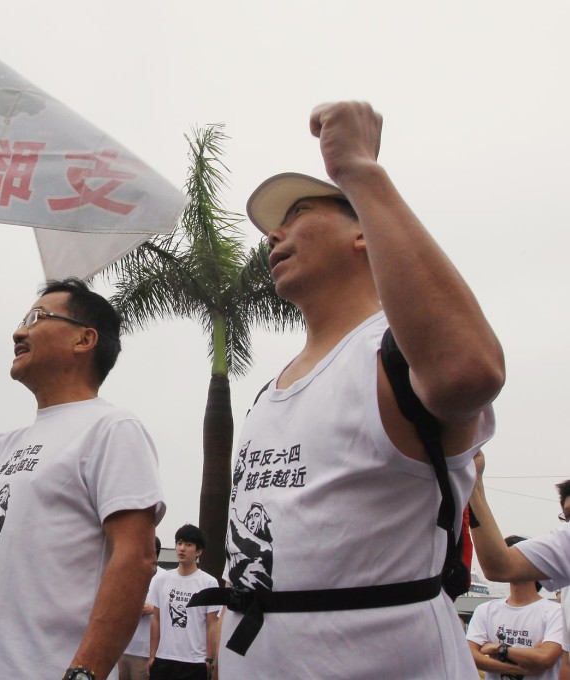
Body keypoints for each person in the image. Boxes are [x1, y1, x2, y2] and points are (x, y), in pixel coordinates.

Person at [210, 102, 504, 678]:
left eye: (299, 212)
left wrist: (360, 172)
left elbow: (471, 371)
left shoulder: (393, 356)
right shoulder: (269, 391)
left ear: (364, 232)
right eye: (273, 226)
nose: (274, 235)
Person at [0, 277, 165, 680]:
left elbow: (136, 557)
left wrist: (84, 673)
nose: (19, 332)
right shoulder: (10, 444)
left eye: (36, 318)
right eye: (22, 321)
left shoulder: (112, 429)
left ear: (84, 339)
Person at [466, 535, 564, 679]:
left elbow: (545, 657)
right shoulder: (485, 610)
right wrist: (516, 668)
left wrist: (498, 648)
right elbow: (469, 655)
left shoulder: (556, 612)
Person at [147, 526, 218, 680]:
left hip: (195, 661)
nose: (182, 548)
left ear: (199, 551)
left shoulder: (209, 583)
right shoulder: (161, 580)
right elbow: (156, 619)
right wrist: (152, 656)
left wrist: (210, 660)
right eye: (179, 543)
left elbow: (212, 624)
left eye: (188, 544)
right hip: (164, 659)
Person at [118, 538, 161, 680]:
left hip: (145, 651)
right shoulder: (125, 572)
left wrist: (154, 609)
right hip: (121, 648)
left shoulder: (163, 577)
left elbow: (173, 610)